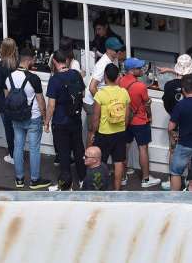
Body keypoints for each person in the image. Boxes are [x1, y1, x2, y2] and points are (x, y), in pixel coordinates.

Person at [6, 47, 50, 189]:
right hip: (33, 117)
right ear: (30, 60)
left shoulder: (9, 77)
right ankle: (34, 180)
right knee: (34, 148)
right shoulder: (34, 79)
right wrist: (45, 118)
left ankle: (19, 179)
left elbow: (7, 97)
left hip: (16, 117)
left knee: (18, 147)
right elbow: (41, 101)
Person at [45, 50, 86, 191]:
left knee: (64, 154)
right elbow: (83, 94)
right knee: (79, 150)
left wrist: (46, 122)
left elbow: (51, 105)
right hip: (75, 119)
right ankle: (82, 179)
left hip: (61, 122)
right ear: (67, 60)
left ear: (55, 62)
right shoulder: (76, 74)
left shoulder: (54, 80)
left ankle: (66, 185)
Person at [119, 58, 160, 188]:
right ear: (132, 70)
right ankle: (146, 179)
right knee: (143, 148)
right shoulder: (140, 86)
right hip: (140, 121)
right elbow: (147, 103)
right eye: (139, 68)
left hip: (125, 121)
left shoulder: (120, 82)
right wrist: (150, 115)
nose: (141, 69)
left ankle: (123, 177)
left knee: (124, 147)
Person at [90, 63, 130, 191]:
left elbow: (96, 118)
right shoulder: (124, 92)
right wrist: (122, 128)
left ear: (105, 77)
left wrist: (92, 132)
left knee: (101, 163)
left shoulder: (100, 94)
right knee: (118, 162)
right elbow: (127, 116)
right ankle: (117, 190)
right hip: (119, 132)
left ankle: (100, 188)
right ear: (118, 76)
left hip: (104, 133)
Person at [160, 54, 192, 189]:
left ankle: (173, 180)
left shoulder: (169, 85)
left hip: (174, 123)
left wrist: (173, 114)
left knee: (173, 150)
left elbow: (166, 104)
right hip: (190, 124)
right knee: (190, 152)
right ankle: (190, 181)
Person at [0, 37, 18, 165]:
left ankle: (12, 154)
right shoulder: (17, 64)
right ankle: (17, 152)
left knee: (9, 129)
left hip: (5, 101)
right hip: (18, 101)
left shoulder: (0, 66)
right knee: (17, 129)